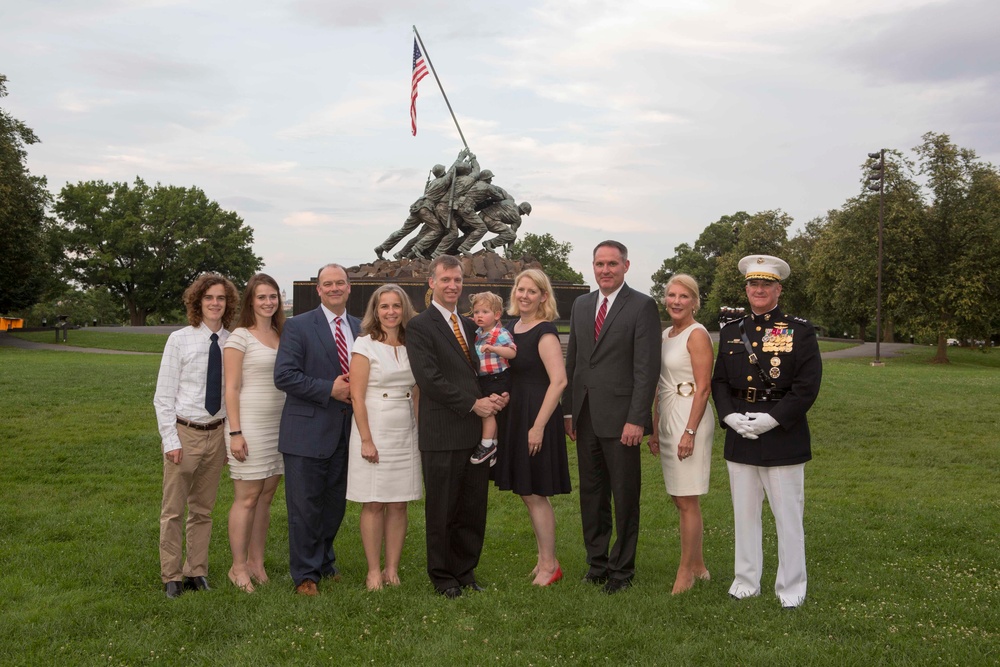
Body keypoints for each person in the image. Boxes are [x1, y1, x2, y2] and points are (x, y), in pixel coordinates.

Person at [711, 254, 821, 609]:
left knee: (787, 516)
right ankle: (745, 581)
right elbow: (720, 382)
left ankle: (791, 587)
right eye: (753, 284)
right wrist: (728, 417)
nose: (759, 290)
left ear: (778, 289)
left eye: (766, 284)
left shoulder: (798, 330)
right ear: (746, 288)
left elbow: (806, 386)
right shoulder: (730, 331)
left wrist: (772, 419)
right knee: (743, 514)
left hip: (782, 433)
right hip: (739, 431)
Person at [404, 254, 508, 598]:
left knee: (472, 506)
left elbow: (479, 373)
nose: (452, 286)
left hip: (474, 433)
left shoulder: (468, 326)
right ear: (432, 283)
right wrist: (473, 404)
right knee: (443, 508)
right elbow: (429, 379)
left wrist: (494, 398)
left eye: (457, 280)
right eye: (445, 280)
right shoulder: (419, 326)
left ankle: (466, 570)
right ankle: (443, 576)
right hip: (441, 433)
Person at [563, 240, 661, 594]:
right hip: (586, 417)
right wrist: (569, 412)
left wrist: (637, 419)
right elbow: (573, 361)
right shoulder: (581, 305)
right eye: (599, 264)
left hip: (622, 421)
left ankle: (622, 568)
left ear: (626, 266)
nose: (605, 270)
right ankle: (597, 562)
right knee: (591, 494)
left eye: (612, 264)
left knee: (624, 495)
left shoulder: (642, 306)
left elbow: (646, 369)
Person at [273, 263, 360, 596]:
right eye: (328, 284)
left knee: (334, 504)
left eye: (340, 283)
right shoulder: (297, 327)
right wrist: (329, 389)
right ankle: (305, 575)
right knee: (305, 506)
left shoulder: (360, 327)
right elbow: (285, 376)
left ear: (349, 288)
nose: (335, 288)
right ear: (319, 290)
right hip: (306, 433)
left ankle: (325, 561)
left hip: (346, 431)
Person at [153, 272, 238, 599]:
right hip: (184, 433)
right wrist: (170, 440)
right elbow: (163, 396)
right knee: (173, 510)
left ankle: (196, 571)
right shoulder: (180, 339)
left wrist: (230, 439)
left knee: (203, 510)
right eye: (209, 298)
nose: (215, 303)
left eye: (221, 298)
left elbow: (232, 395)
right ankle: (171, 575)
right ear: (197, 302)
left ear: (227, 303)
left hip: (216, 435)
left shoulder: (233, 341)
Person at [494, 269, 571, 586]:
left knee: (535, 491)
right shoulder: (512, 327)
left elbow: (559, 381)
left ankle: (550, 565)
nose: (524, 295)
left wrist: (538, 426)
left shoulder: (545, 332)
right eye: (520, 289)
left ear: (543, 296)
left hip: (537, 416)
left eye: (531, 291)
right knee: (527, 491)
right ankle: (543, 560)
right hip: (517, 414)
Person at [346, 284, 422, 591]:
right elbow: (356, 395)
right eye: (384, 306)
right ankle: (373, 571)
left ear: (404, 309)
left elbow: (416, 391)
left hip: (406, 428)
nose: (391, 312)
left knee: (400, 503)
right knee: (375, 502)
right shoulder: (365, 344)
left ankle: (392, 569)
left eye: (396, 306)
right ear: (375, 311)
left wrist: (419, 431)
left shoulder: (413, 343)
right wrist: (366, 439)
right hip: (374, 426)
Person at [647, 274, 714, 594]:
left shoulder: (697, 334)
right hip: (668, 415)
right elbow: (659, 384)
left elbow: (704, 389)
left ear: (695, 302)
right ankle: (699, 565)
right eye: (671, 295)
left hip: (691, 415)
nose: (676, 301)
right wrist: (656, 427)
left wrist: (690, 432)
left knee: (687, 498)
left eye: (683, 296)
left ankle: (686, 572)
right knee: (678, 496)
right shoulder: (665, 334)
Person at [223, 273, 286, 593]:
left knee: (266, 498)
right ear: (251, 301)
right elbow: (231, 388)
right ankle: (237, 567)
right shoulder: (239, 337)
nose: (267, 302)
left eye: (272, 296)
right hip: (248, 426)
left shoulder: (281, 333)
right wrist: (235, 432)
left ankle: (256, 562)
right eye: (261, 297)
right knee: (246, 499)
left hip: (278, 427)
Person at [468, 291, 517, 466]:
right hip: (484, 378)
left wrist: (494, 348)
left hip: (497, 378)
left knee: (487, 410)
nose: (479, 316)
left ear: (496, 315)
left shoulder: (500, 333)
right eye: (476, 312)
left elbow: (512, 352)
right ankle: (494, 446)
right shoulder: (478, 334)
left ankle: (486, 443)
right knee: (490, 411)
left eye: (485, 312)